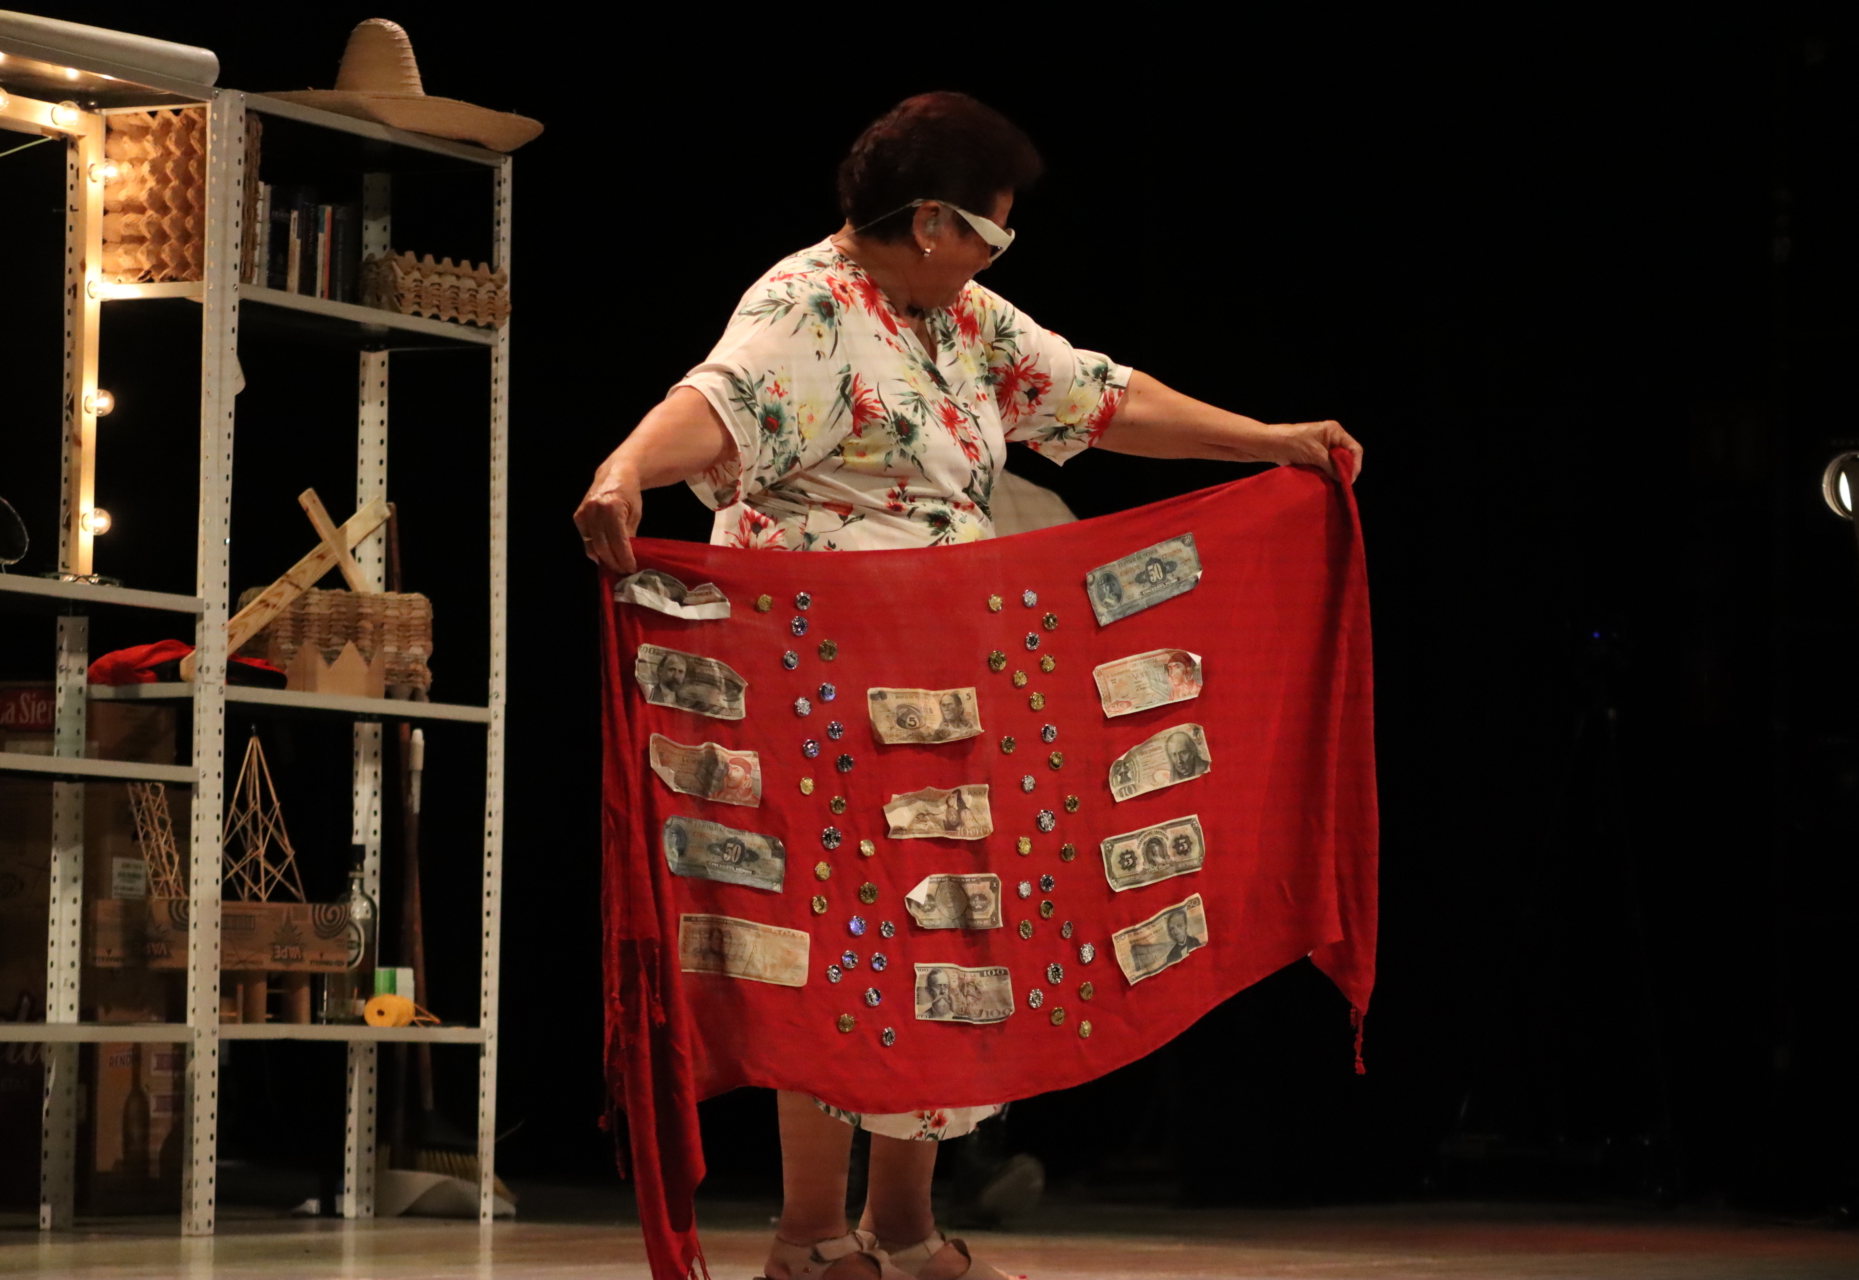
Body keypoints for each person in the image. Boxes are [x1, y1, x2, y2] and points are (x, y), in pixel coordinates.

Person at [576, 91, 1363, 1280]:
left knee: (943, 928)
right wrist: (623, 472)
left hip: (940, 675)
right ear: (934, 221)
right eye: (993, 231)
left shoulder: (966, 321)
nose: (999, 254)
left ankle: (901, 1226)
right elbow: (715, 402)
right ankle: (807, 1236)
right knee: (837, 937)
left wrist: (1267, 438)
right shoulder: (808, 305)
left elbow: (1101, 396)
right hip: (820, 677)